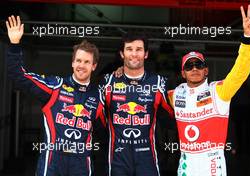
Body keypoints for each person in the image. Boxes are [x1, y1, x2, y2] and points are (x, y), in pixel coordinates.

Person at [6, 15, 105, 176]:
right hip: (53, 161)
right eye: (78, 60)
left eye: (87, 62)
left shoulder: (99, 96)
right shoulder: (55, 86)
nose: (81, 65)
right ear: (72, 62)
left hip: (81, 164)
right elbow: (18, 76)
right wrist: (15, 44)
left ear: (94, 66)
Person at [169, 5, 250, 176]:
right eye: (189, 66)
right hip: (185, 166)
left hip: (212, 167)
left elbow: (240, 72)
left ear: (206, 70)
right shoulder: (175, 93)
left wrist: (248, 38)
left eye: (198, 64)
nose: (194, 68)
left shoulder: (219, 91)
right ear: (183, 72)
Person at [99, 33, 174, 176]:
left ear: (146, 54)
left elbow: (174, 119)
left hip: (148, 157)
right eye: (129, 49)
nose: (134, 54)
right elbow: (94, 114)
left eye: (139, 49)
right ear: (122, 53)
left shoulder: (160, 83)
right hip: (117, 158)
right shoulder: (107, 82)